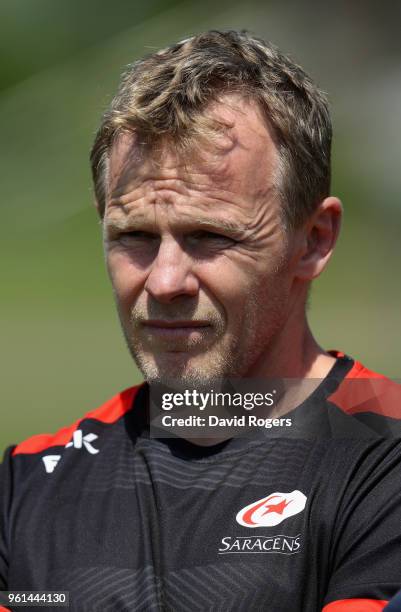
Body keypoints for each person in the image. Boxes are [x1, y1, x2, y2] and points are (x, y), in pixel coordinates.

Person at [1, 29, 401, 612]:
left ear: (312, 241)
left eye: (209, 236)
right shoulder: (28, 486)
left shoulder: (384, 461)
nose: (165, 282)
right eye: (134, 237)